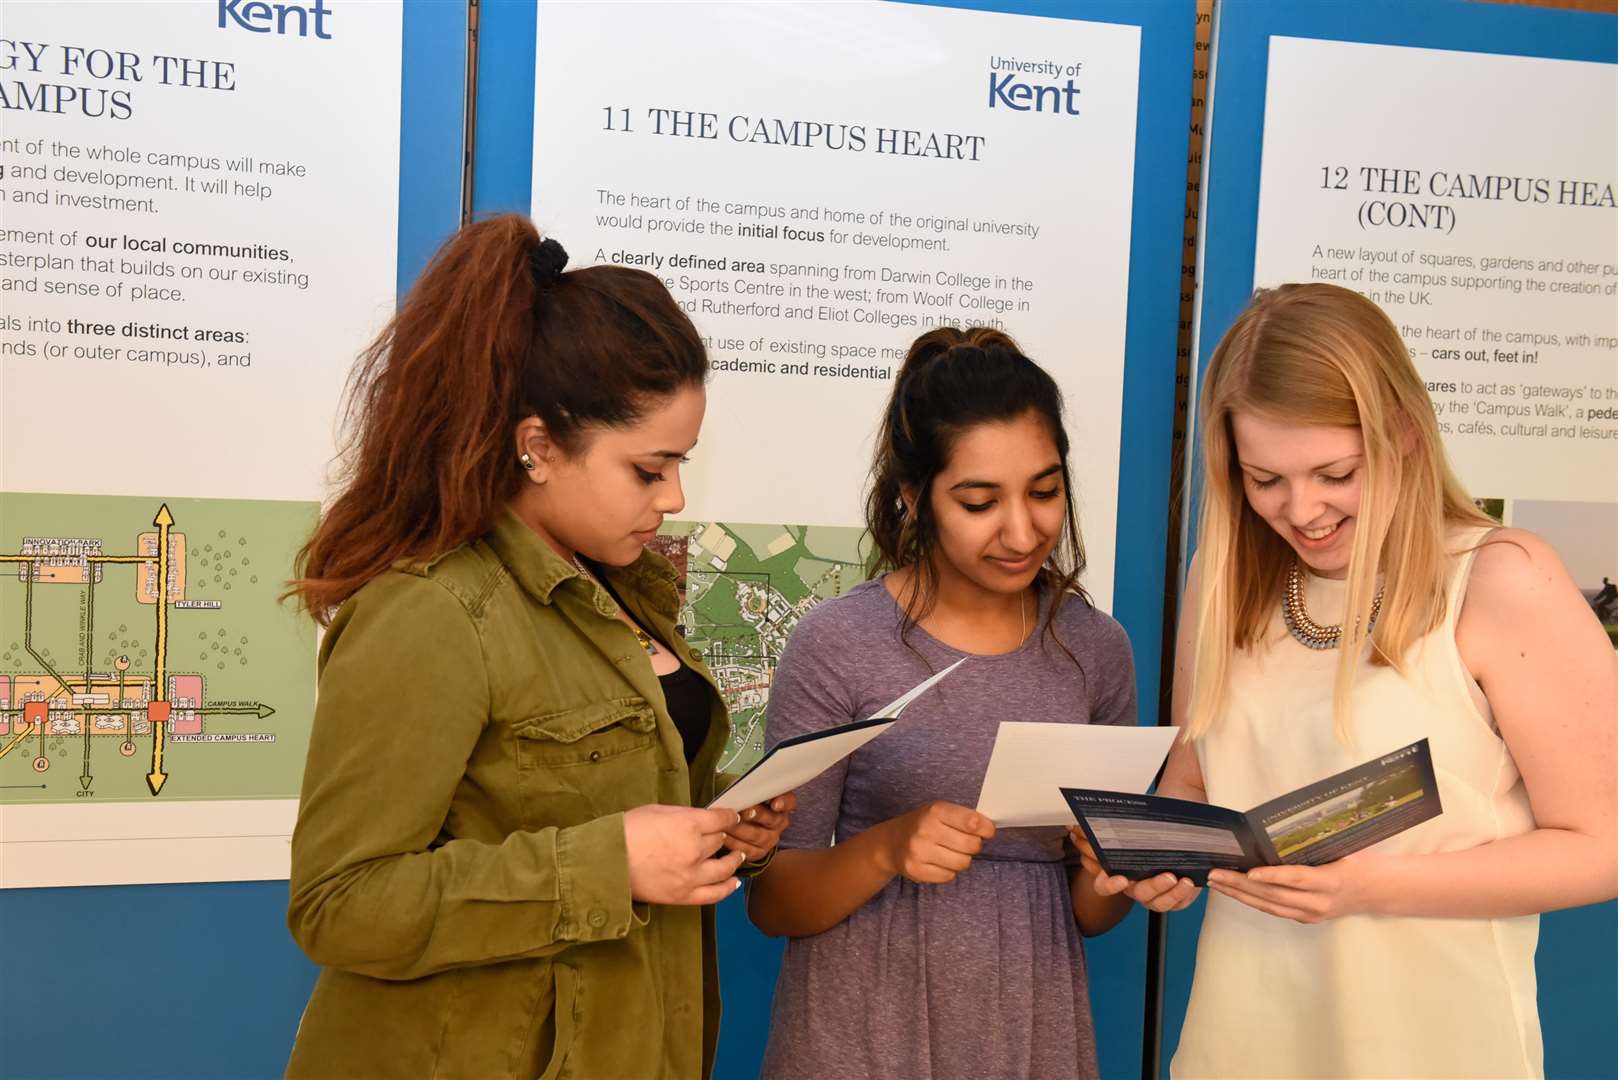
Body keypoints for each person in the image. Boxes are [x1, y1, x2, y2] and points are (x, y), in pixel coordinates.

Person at [282, 214, 792, 1079]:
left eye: (681, 463)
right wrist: (612, 863)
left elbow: (578, 798)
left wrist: (721, 822)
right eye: (648, 467)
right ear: (539, 446)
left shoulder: (627, 593)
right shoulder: (430, 613)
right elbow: (341, 904)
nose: (673, 497)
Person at [1085, 283, 1618, 1078]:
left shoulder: (1502, 579)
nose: (1303, 511)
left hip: (1433, 1043)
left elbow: (1603, 846)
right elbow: (1197, 782)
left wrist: (1376, 886)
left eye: (1335, 472)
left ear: (1402, 433)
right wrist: (1158, 860)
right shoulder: (1221, 576)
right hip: (1242, 1035)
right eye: (1265, 480)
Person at [748, 327, 1139, 1079]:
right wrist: (890, 847)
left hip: (1033, 1026)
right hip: (859, 1030)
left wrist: (1104, 869)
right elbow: (774, 903)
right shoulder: (838, 643)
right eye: (979, 501)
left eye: (1046, 492)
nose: (1023, 532)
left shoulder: (1097, 650)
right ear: (912, 495)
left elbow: (1093, 916)